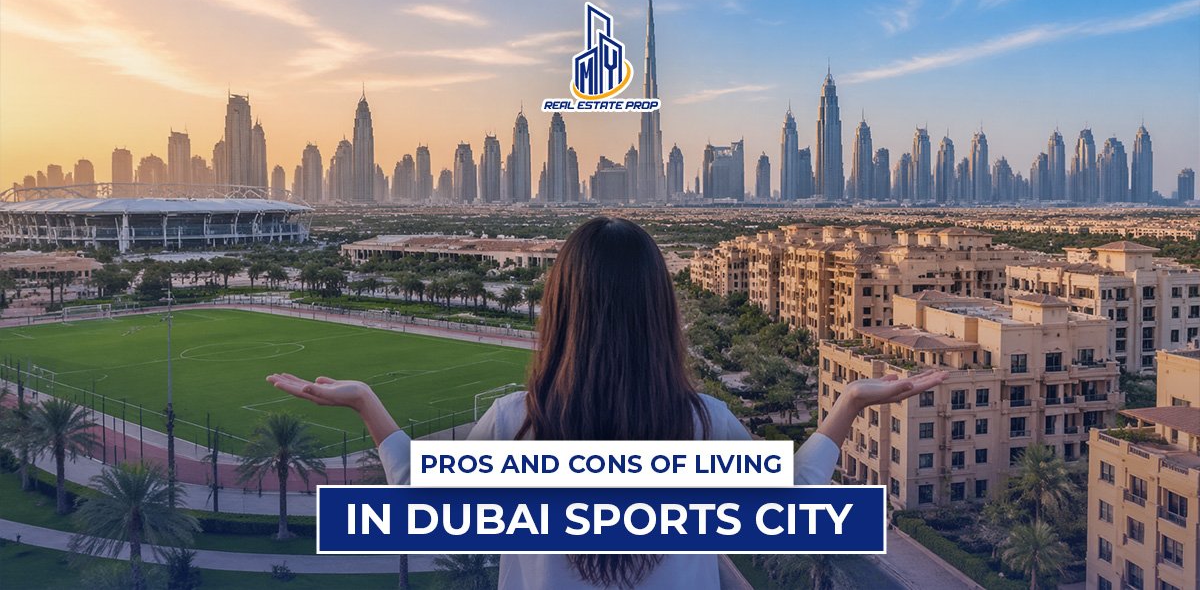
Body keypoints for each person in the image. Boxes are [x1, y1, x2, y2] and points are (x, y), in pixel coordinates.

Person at [268, 216, 945, 590]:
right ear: (658, 312)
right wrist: (851, 401)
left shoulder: (517, 424)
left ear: (563, 312)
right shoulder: (702, 426)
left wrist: (365, 403)